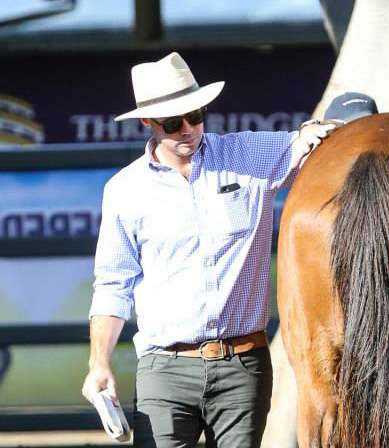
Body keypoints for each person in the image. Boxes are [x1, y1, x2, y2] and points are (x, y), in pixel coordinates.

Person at [81, 52, 336, 448]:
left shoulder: (247, 154)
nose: (188, 129)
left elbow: (310, 141)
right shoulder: (124, 190)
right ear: (148, 123)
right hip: (164, 369)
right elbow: (113, 286)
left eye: (196, 115)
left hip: (242, 365)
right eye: (172, 122)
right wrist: (99, 363)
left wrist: (326, 125)